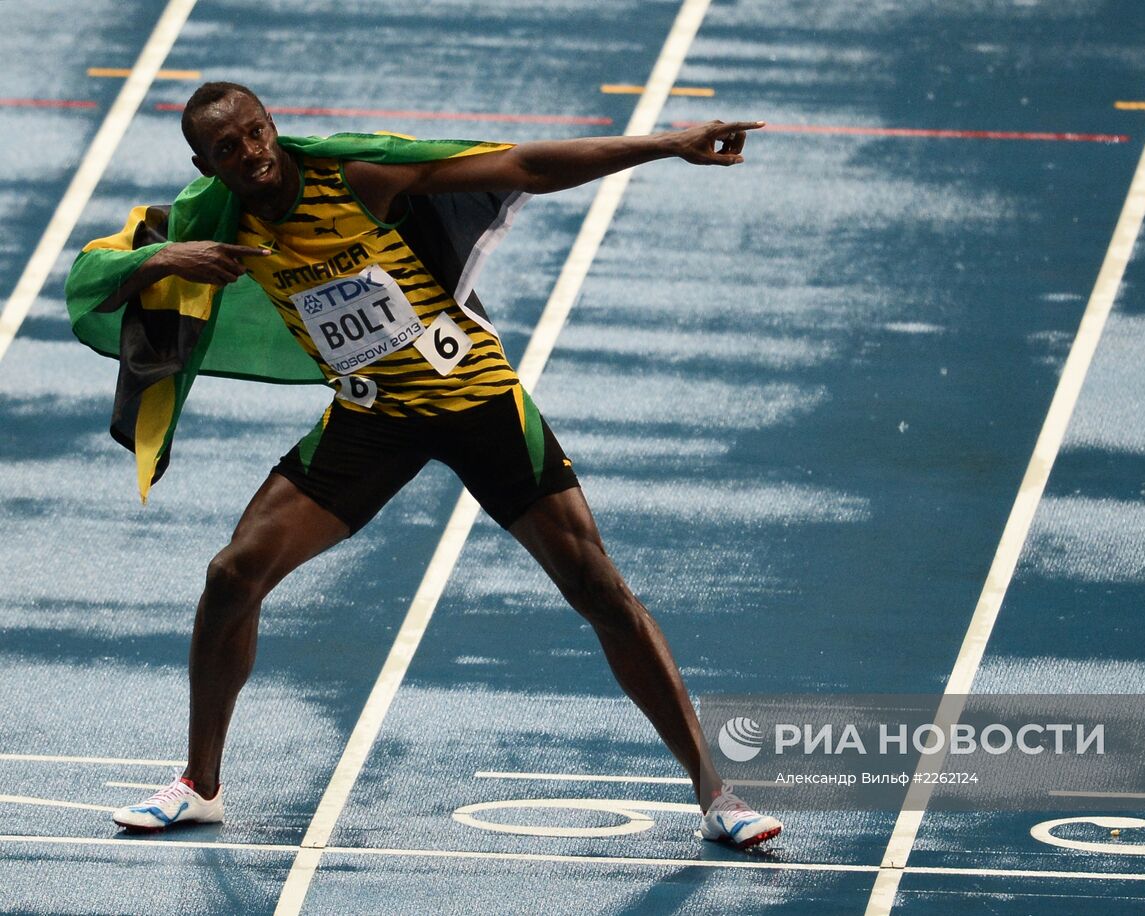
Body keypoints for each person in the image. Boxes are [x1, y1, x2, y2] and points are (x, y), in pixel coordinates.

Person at [79, 82, 780, 848]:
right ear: (203, 162)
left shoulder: (358, 178)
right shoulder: (212, 218)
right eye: (226, 148)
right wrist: (168, 258)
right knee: (232, 576)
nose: (248, 153)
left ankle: (717, 792)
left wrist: (666, 143)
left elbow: (525, 164)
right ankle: (199, 785)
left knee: (598, 587)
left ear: (272, 126)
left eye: (254, 133)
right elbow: (91, 281)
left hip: (475, 398)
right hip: (372, 415)